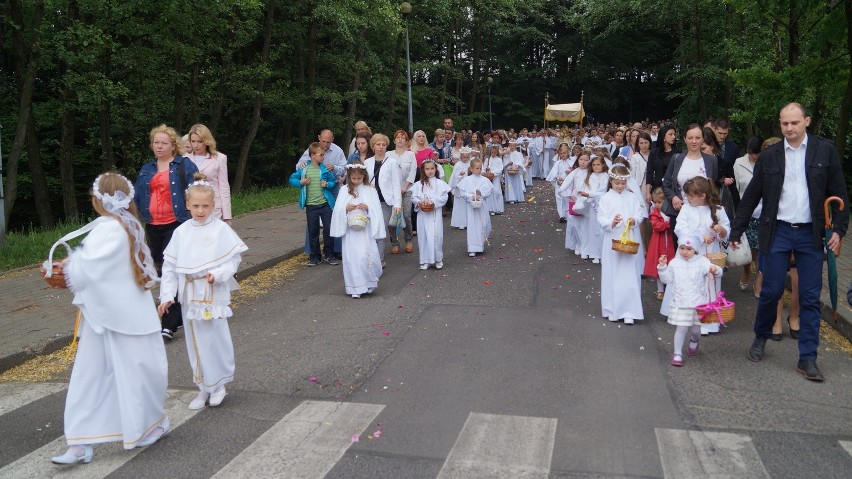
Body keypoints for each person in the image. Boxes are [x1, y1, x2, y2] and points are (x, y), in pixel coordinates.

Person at [51, 173, 168, 465]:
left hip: (116, 315)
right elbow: (100, 264)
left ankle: (139, 427)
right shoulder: (129, 226)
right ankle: (81, 441)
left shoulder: (110, 228)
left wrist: (68, 266)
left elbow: (91, 265)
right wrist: (74, 265)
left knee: (102, 376)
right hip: (111, 315)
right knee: (108, 374)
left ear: (96, 200)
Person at [730, 102, 849, 381]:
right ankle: (760, 336)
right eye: (784, 123)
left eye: (795, 122)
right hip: (778, 231)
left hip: (811, 234)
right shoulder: (770, 155)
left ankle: (808, 358)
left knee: (809, 296)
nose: (789, 128)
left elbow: (841, 195)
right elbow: (751, 197)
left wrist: (838, 231)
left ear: (806, 121)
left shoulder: (825, 150)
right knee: (770, 291)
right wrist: (737, 231)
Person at [158, 174, 247, 410]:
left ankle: (218, 384)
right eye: (195, 206)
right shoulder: (181, 232)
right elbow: (169, 266)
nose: (200, 210)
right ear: (187, 205)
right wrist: (167, 295)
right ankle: (202, 387)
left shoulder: (220, 230)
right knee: (194, 341)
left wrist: (218, 275)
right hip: (189, 294)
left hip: (211, 291)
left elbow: (232, 260)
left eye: (205, 206)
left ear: (213, 205)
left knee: (214, 338)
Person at [134, 124, 199, 340]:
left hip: (176, 223)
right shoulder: (146, 169)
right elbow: (137, 198)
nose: (159, 146)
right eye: (156, 142)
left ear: (174, 145)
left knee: (171, 270)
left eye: (164, 143)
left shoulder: (184, 165)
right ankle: (176, 313)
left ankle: (168, 324)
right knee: (161, 272)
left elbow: (197, 193)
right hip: (153, 225)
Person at [671, 176, 729, 334]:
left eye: (690, 196)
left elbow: (726, 231)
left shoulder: (718, 209)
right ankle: (691, 318)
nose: (687, 199)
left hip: (711, 254)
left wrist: (720, 230)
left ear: (702, 195)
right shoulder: (687, 208)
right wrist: (698, 237)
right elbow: (680, 228)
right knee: (693, 285)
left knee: (710, 285)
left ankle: (709, 321)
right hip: (691, 254)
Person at [657, 237, 723, 367]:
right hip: (680, 303)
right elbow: (667, 279)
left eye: (689, 249)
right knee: (681, 328)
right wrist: (662, 267)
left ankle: (694, 340)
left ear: (695, 250)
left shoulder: (703, 262)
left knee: (695, 330)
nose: (685, 252)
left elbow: (717, 271)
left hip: (697, 303)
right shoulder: (674, 263)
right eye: (682, 248)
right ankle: (677, 354)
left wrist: (716, 270)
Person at [597, 165, 646, 324]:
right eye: (617, 183)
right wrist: (611, 222)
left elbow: (639, 214)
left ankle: (629, 310)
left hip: (629, 239)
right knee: (613, 273)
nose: (620, 186)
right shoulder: (605, 198)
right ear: (611, 181)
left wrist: (633, 220)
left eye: (623, 183)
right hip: (612, 239)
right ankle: (612, 308)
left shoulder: (632, 197)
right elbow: (601, 219)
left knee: (629, 274)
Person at [329, 164, 384, 297]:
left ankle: (368, 283)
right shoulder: (344, 190)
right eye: (353, 178)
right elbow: (337, 209)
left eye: (359, 178)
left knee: (366, 256)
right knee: (353, 258)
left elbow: (376, 209)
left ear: (364, 177)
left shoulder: (370, 190)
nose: (356, 181)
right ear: (349, 177)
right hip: (350, 232)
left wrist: (367, 207)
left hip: (365, 231)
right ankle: (355, 288)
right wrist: (346, 208)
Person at [660, 124, 719, 234]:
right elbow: (666, 183)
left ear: (702, 139)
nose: (694, 141)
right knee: (683, 248)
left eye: (697, 138)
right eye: (690, 138)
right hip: (680, 212)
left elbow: (713, 186)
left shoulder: (712, 161)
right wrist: (673, 197)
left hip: (704, 214)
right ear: (685, 139)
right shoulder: (676, 159)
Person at [288, 142, 339, 267]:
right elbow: (291, 179)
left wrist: (327, 185)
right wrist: (301, 182)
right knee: (313, 231)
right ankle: (315, 256)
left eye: (323, 155)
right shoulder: (304, 169)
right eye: (321, 155)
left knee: (328, 229)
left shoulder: (325, 169)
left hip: (325, 204)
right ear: (312, 155)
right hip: (311, 205)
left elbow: (334, 182)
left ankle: (329, 254)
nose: (323, 157)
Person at [364, 133, 402, 264]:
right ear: (373, 146)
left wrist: (397, 205)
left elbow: (396, 184)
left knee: (380, 230)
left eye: (383, 145)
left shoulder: (392, 163)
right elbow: (364, 182)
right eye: (378, 145)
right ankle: (373, 257)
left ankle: (379, 260)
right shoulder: (367, 162)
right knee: (372, 230)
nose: (381, 147)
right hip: (371, 202)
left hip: (386, 202)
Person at [733, 136, 763, 291]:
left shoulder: (767, 162)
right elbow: (737, 189)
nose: (755, 157)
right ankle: (746, 272)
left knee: (762, 250)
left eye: (758, 153)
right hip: (748, 212)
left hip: (765, 213)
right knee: (748, 249)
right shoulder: (739, 163)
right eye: (752, 153)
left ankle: (759, 281)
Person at [186, 124, 232, 224]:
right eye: (193, 141)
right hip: (192, 208)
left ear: (207, 141)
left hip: (213, 206)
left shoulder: (220, 158)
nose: (196, 145)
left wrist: (227, 216)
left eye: (200, 141)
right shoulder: (184, 158)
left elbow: (224, 187)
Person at [410, 160, 451, 269]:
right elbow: (413, 197)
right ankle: (426, 260)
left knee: (436, 235)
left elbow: (444, 197)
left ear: (435, 169)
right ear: (423, 170)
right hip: (422, 215)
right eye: (427, 169)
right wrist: (419, 202)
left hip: (434, 215)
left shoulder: (440, 183)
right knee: (423, 236)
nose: (430, 171)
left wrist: (433, 202)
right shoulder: (418, 184)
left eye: (432, 168)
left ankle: (438, 259)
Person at [387, 130, 417, 254]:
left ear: (406, 141)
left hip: (407, 189)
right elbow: (386, 173)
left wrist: (405, 186)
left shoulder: (410, 155)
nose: (400, 139)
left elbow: (413, 171)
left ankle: (408, 239)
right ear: (394, 140)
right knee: (393, 218)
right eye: (397, 137)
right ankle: (395, 242)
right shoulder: (388, 155)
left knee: (406, 215)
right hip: (392, 191)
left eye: (402, 138)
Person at [456, 158, 494, 257]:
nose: (479, 170)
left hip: (482, 206)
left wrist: (481, 193)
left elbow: (488, 192)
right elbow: (463, 193)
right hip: (471, 207)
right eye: (477, 168)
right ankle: (472, 247)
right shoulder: (467, 180)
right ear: (471, 169)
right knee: (473, 225)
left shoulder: (485, 180)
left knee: (484, 224)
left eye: (480, 168)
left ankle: (480, 245)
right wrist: (472, 196)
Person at [576, 156, 610, 263]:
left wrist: (590, 194)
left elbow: (602, 190)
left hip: (601, 205)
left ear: (603, 165)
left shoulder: (606, 176)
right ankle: (593, 252)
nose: (596, 167)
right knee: (591, 229)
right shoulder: (590, 176)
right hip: (591, 204)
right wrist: (586, 195)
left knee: (601, 230)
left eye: (598, 164)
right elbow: (588, 188)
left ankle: (601, 253)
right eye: (594, 165)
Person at [644, 187, 675, 300]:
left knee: (671, 264)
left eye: (659, 202)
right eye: (655, 202)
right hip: (659, 242)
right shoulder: (654, 213)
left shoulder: (671, 212)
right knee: (660, 265)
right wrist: (668, 225)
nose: (657, 205)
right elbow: (656, 226)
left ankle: (670, 288)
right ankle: (660, 290)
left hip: (670, 242)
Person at [558, 153, 590, 255]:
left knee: (585, 225)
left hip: (586, 200)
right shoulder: (575, 172)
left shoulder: (590, 173)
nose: (583, 162)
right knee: (575, 224)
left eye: (586, 160)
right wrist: (570, 195)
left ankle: (586, 246)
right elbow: (566, 185)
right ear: (578, 160)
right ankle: (577, 244)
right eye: (581, 159)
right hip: (575, 199)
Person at [645, 124, 680, 203]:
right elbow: (649, 173)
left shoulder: (678, 153)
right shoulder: (654, 152)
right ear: (663, 136)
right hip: (657, 188)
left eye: (674, 134)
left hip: (672, 189)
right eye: (670, 134)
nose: (673, 137)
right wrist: (648, 193)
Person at [714, 118, 740, 207]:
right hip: (712, 186)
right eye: (720, 133)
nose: (722, 136)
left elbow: (736, 167)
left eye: (725, 133)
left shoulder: (733, 147)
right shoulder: (707, 146)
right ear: (714, 130)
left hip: (729, 188)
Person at [546, 143, 573, 222]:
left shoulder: (571, 162)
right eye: (561, 153)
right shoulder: (558, 163)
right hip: (559, 183)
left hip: (568, 183)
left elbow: (575, 172)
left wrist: (569, 175)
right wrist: (557, 178)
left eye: (564, 153)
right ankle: (561, 215)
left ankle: (567, 214)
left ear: (568, 153)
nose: (562, 155)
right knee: (559, 198)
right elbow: (554, 173)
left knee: (567, 199)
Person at [449, 147, 473, 229]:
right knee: (460, 206)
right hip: (460, 187)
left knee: (467, 205)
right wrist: (460, 176)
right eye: (464, 157)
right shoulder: (458, 165)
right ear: (461, 157)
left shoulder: (471, 164)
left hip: (468, 187)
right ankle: (460, 223)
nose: (465, 159)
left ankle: (468, 222)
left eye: (467, 157)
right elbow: (454, 177)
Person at [483, 144, 504, 215]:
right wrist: (486, 170)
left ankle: (498, 208)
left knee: (496, 191)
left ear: (497, 152)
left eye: (495, 153)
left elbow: (500, 168)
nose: (493, 154)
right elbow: (483, 168)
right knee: (490, 192)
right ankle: (491, 209)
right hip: (489, 178)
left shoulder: (499, 159)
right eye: (492, 152)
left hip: (496, 178)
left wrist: (494, 173)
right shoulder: (487, 159)